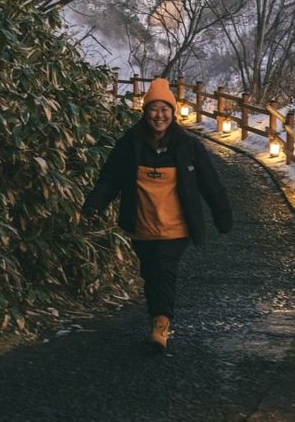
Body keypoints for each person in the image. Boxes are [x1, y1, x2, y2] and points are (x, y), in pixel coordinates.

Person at [82, 77, 233, 351]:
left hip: (176, 227)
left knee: (164, 270)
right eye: (154, 109)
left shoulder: (188, 146)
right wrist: (94, 205)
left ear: (173, 113)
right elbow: (110, 178)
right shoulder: (131, 143)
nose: (159, 115)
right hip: (142, 225)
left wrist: (223, 215)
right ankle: (158, 319)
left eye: (165, 109)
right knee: (151, 273)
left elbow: (210, 183)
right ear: (145, 111)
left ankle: (161, 327)